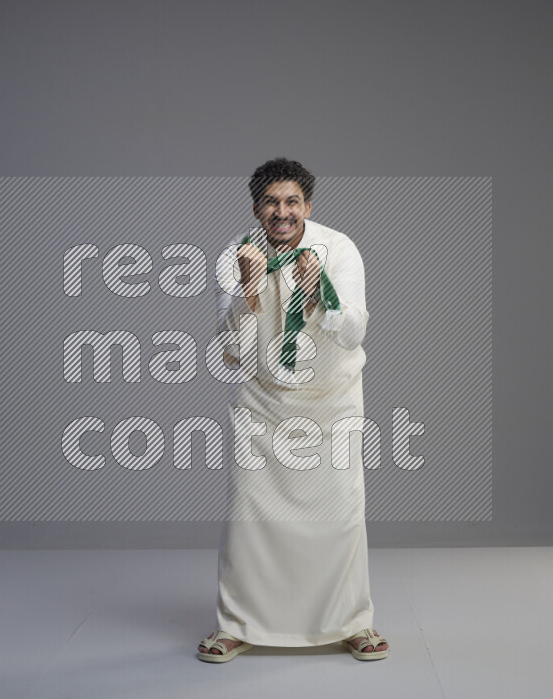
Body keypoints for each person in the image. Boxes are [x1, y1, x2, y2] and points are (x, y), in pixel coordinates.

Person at [198, 158, 389, 663]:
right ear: (257, 207)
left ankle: (351, 621)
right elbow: (229, 346)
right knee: (249, 517)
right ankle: (238, 623)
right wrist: (247, 289)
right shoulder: (234, 257)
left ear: (308, 205)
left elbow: (353, 332)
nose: (281, 212)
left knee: (341, 514)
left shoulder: (339, 249)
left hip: (330, 401)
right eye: (270, 203)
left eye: (291, 202)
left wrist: (315, 293)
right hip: (262, 402)